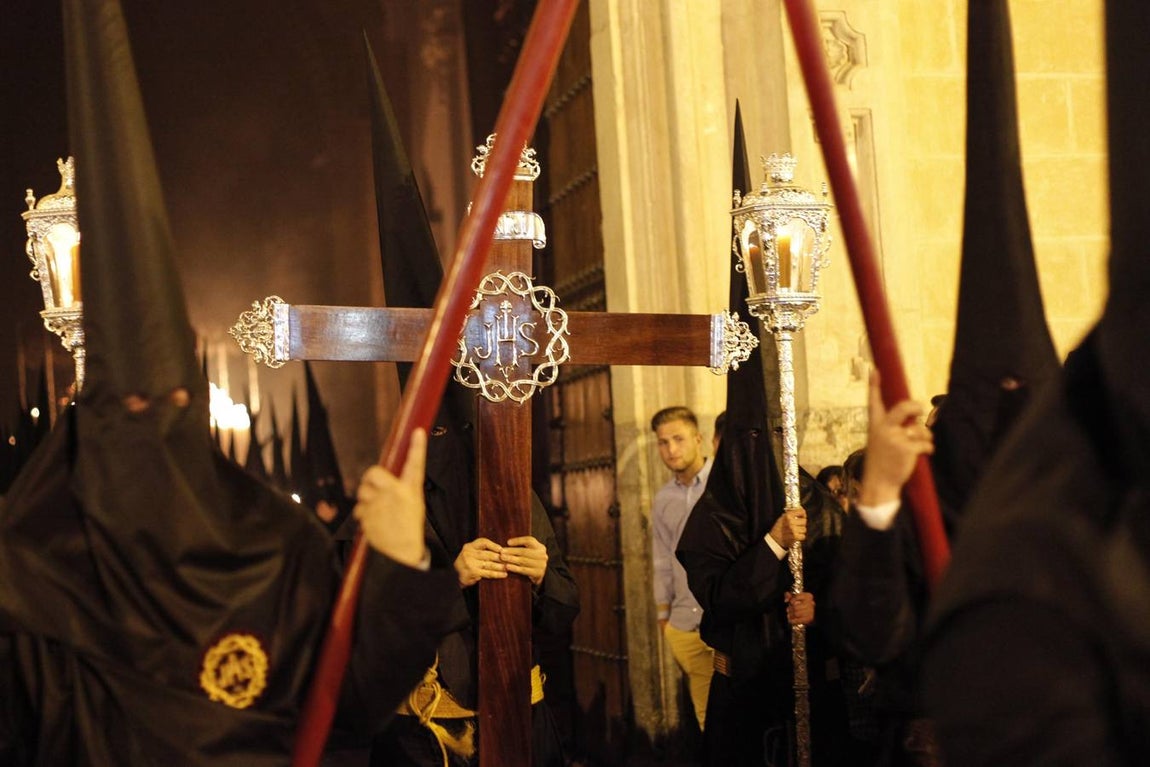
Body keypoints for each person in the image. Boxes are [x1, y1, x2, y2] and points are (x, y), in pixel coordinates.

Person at [369, 424, 579, 767]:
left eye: (467, 430)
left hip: (520, 716)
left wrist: (542, 577)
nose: (453, 447)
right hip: (423, 731)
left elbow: (566, 606)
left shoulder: (516, 497)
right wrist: (451, 581)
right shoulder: (385, 510)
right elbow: (374, 625)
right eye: (436, 432)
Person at [650, 406, 716, 732]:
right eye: (663, 442)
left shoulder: (722, 487)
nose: (671, 449)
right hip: (682, 623)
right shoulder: (663, 499)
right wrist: (664, 619)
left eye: (678, 439)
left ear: (698, 438)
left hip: (721, 621)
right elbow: (662, 559)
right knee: (705, 719)